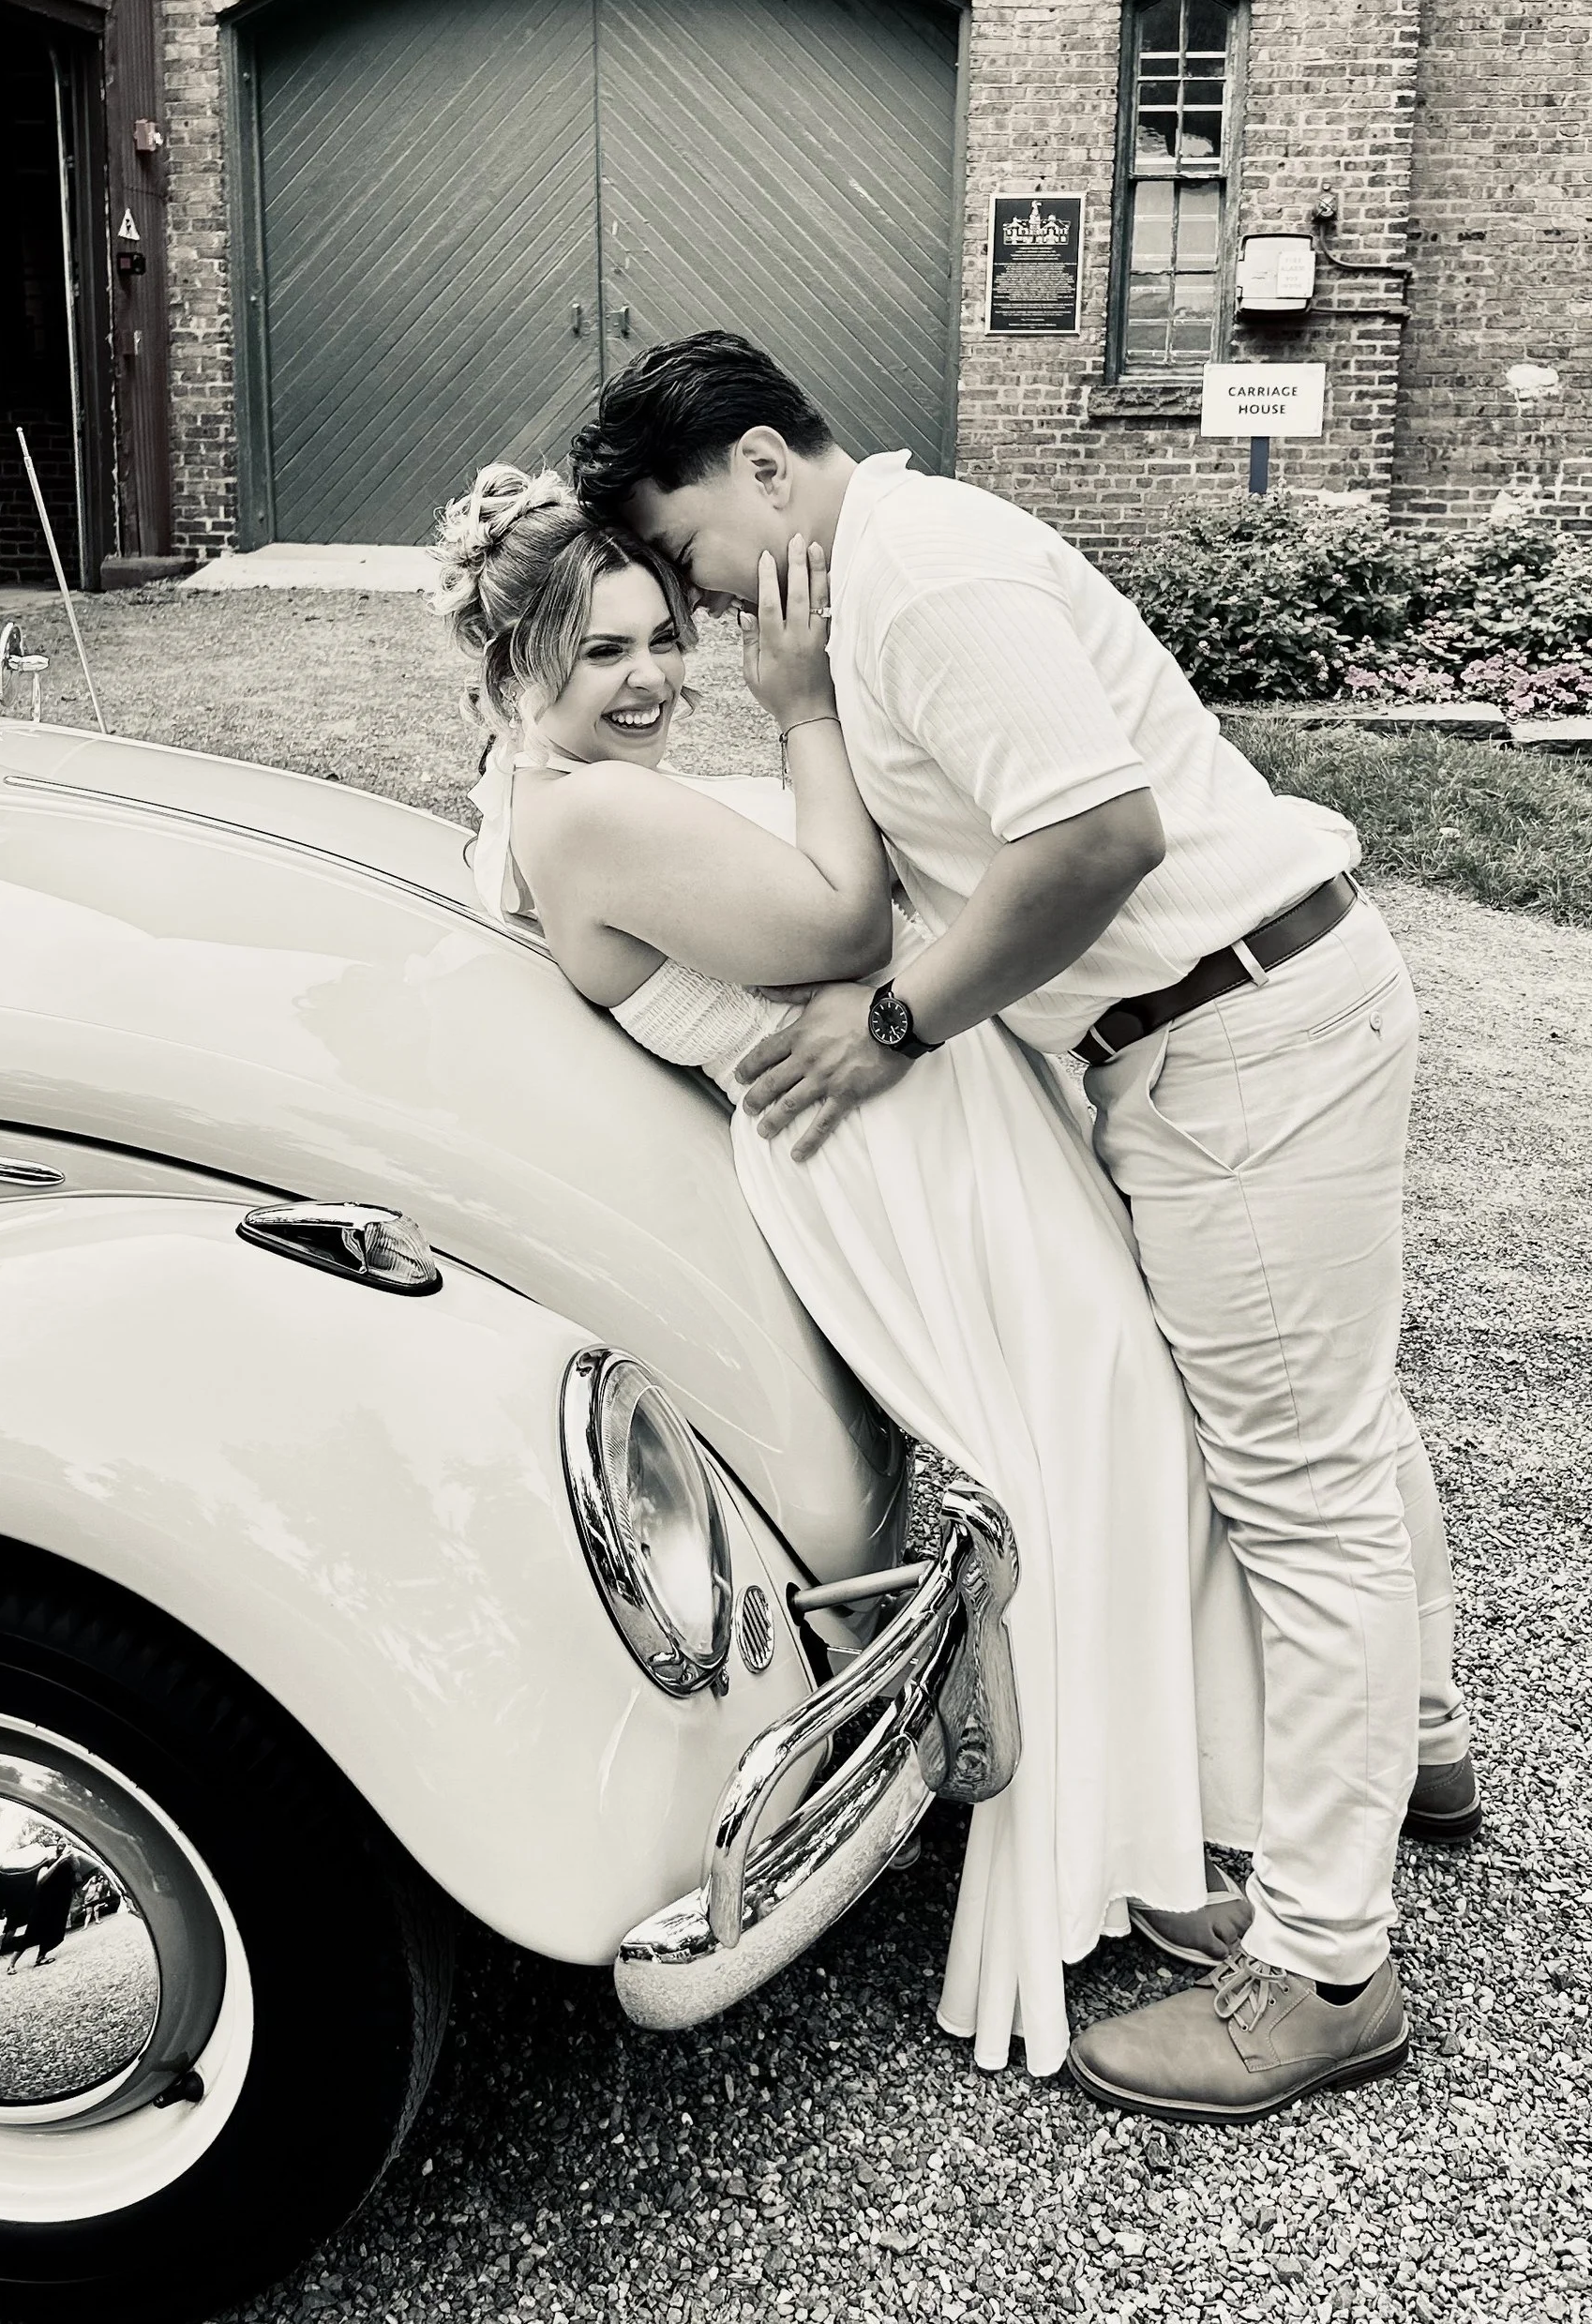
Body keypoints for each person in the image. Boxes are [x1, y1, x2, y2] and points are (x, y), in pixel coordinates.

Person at [567, 334, 1477, 2126]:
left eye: (694, 562)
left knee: (1294, 1478)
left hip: (1233, 1034)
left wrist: (897, 1020)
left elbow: (1098, 841)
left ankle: (1323, 1969)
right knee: (1335, 1428)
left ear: (767, 466)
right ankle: (1410, 1746)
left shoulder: (920, 584)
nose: (707, 608)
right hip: (1215, 1034)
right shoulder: (884, 584)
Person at [431, 461, 1268, 2081]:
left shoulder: (539, 779)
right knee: (1101, 1440)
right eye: (603, 653)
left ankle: (1179, 1815)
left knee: (1117, 1434)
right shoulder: (583, 807)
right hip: (894, 1157)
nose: (656, 676)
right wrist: (805, 708)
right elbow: (836, 923)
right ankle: (1151, 1860)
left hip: (918, 1122)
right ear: (512, 665)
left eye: (662, 634)